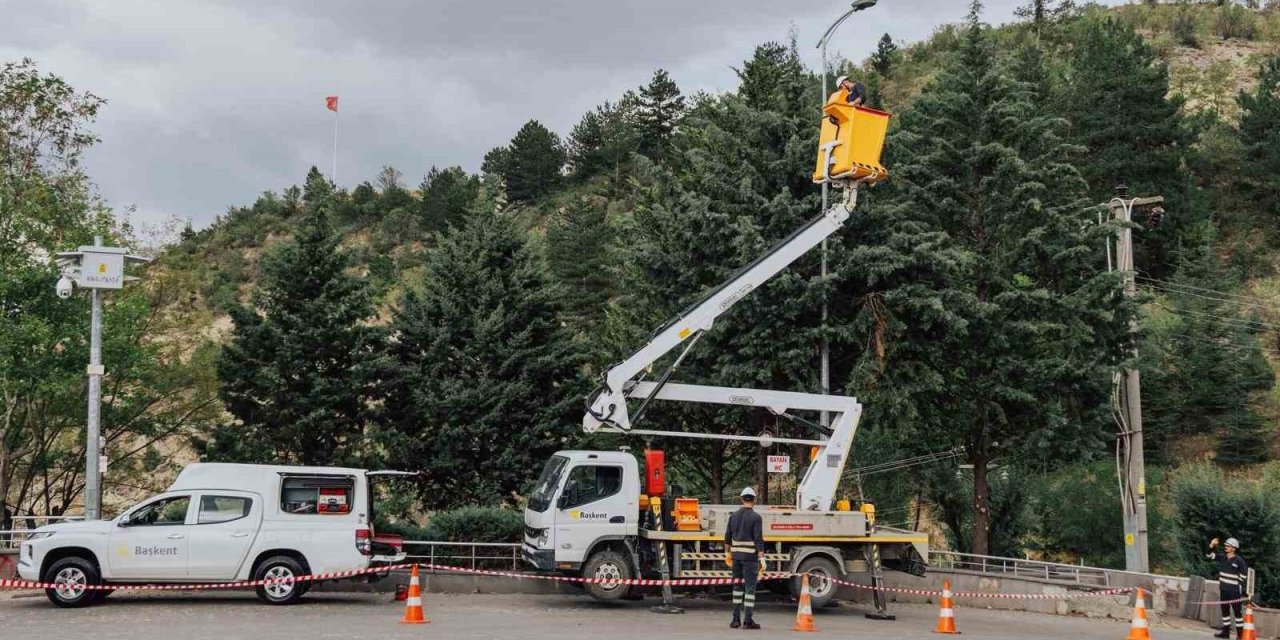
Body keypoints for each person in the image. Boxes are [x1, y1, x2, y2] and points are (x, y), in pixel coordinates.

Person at [725, 486, 766, 630]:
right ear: (754, 500)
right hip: (750, 558)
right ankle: (748, 621)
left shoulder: (733, 516)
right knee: (749, 589)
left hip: (736, 558)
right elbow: (758, 539)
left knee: (737, 587)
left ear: (741, 499)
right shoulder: (756, 517)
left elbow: (727, 537)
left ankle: (735, 620)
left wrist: (728, 554)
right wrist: (762, 558)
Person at [1207, 537, 1249, 639]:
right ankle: (1226, 633)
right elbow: (1209, 555)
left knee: (1237, 613)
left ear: (1234, 548)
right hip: (1224, 590)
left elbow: (1244, 575)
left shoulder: (1239, 560)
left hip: (1234, 591)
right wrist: (1211, 546)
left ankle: (1240, 635)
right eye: (1225, 545)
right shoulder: (1222, 557)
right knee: (1225, 611)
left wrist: (1236, 584)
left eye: (1228, 546)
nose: (1226, 547)